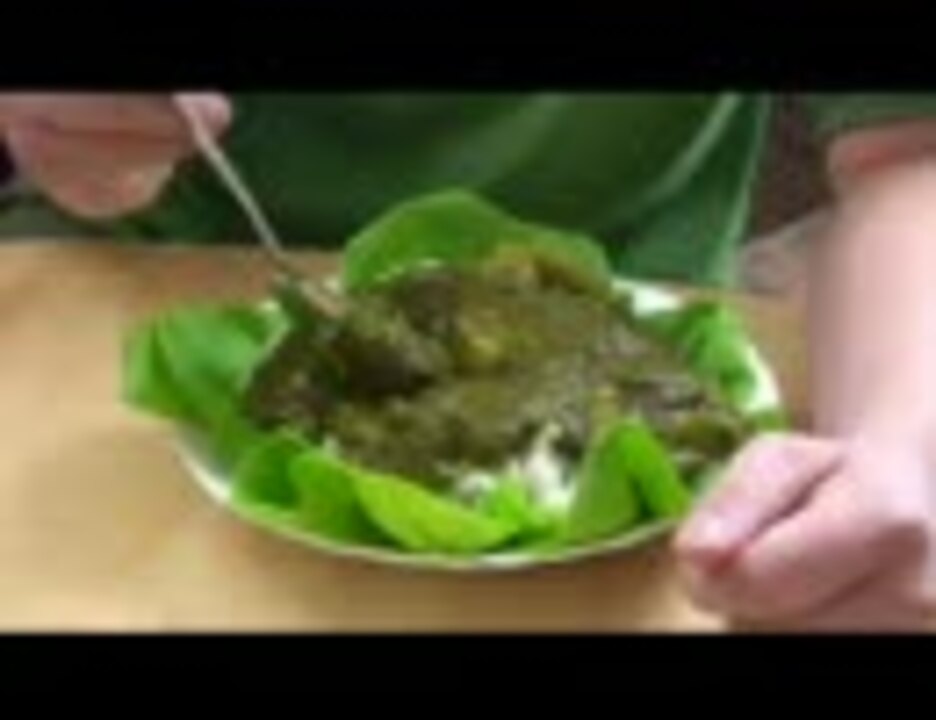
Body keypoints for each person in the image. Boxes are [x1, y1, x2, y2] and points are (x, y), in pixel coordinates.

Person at [2, 92, 935, 630]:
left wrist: (900, 441)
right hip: (124, 320)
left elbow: (908, 151)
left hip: (646, 371)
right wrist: (70, 130)